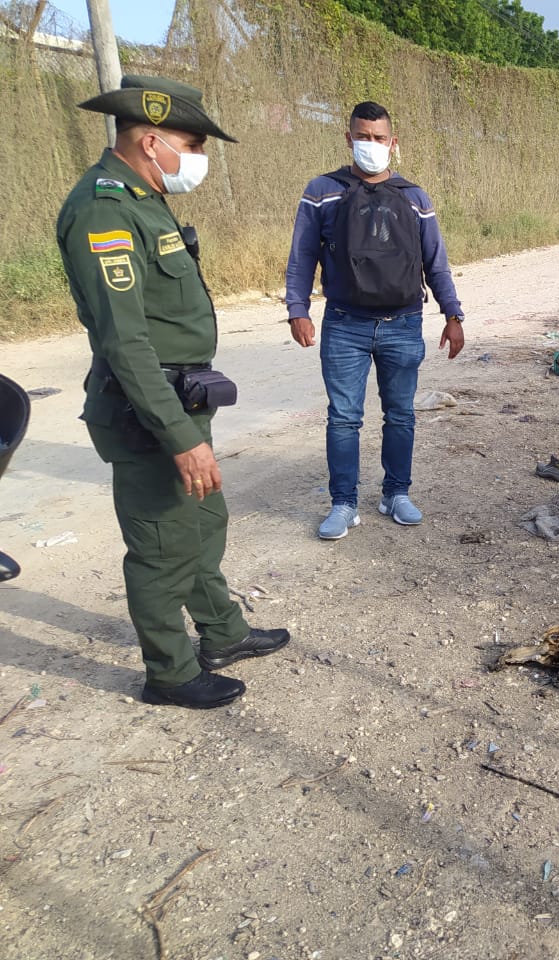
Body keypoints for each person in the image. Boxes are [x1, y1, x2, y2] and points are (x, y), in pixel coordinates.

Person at [56, 75, 290, 709]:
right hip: (146, 410)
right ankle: (169, 672)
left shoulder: (145, 196)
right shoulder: (104, 208)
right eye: (192, 144)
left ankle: (222, 633)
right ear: (152, 139)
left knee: (202, 524)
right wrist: (181, 438)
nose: (199, 159)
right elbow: (124, 342)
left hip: (179, 399)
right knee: (161, 544)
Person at [285, 101, 465, 540]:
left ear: (393, 143)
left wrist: (452, 313)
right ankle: (343, 504)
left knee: (400, 414)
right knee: (343, 418)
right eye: (362, 137)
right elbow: (302, 255)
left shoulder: (414, 197)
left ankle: (396, 493)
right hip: (344, 323)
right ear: (348, 139)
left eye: (379, 138)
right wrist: (298, 309)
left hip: (403, 322)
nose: (371, 145)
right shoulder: (322, 190)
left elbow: (435, 262)